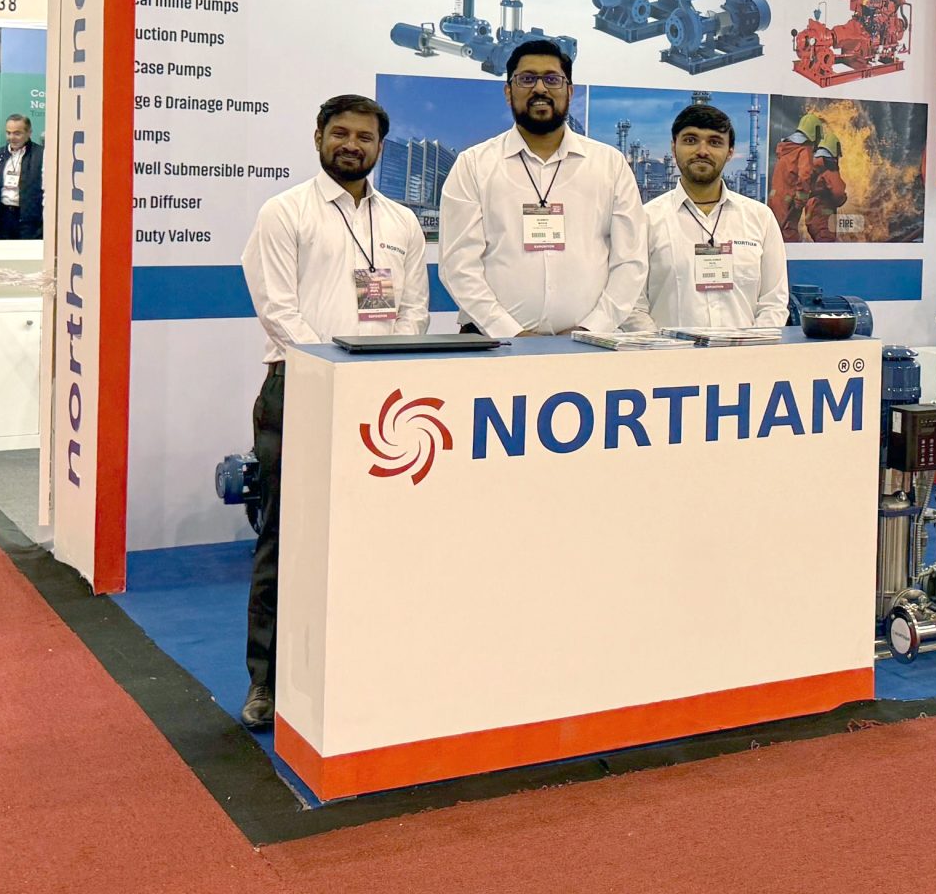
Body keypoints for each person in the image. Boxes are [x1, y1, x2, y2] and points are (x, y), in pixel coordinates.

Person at [236, 94, 428, 729]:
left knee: (379, 536)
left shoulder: (402, 221)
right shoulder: (285, 211)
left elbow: (414, 309)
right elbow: (278, 309)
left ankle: (370, 670)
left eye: (365, 137)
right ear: (317, 136)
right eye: (340, 133)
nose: (352, 145)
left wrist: (384, 371)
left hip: (383, 400)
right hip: (300, 390)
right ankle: (267, 682)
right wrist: (332, 370)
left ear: (380, 147)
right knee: (286, 537)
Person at [437, 39, 645, 337]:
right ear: (508, 92)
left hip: (588, 344)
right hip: (491, 342)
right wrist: (509, 332)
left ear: (569, 91)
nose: (539, 88)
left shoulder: (610, 164)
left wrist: (591, 328)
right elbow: (458, 264)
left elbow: (630, 259)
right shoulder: (473, 165)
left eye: (552, 79)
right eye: (526, 79)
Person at [631, 102, 789, 331]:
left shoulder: (760, 218)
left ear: (730, 152)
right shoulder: (646, 220)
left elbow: (773, 303)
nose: (702, 151)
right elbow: (633, 306)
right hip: (669, 352)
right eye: (690, 140)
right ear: (673, 147)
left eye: (715, 142)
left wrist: (752, 346)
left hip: (745, 352)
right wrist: (663, 347)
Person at [771, 111, 848, 242]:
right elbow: (805, 177)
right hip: (800, 208)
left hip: (776, 201)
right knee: (789, 236)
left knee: (777, 235)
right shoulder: (808, 153)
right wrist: (799, 201)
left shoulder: (787, 150)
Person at [0, 114, 44, 240]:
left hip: (30, 221)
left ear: (29, 133)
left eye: (17, 133)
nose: (11, 137)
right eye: (8, 133)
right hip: (3, 218)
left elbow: (47, 191)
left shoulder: (41, 155)